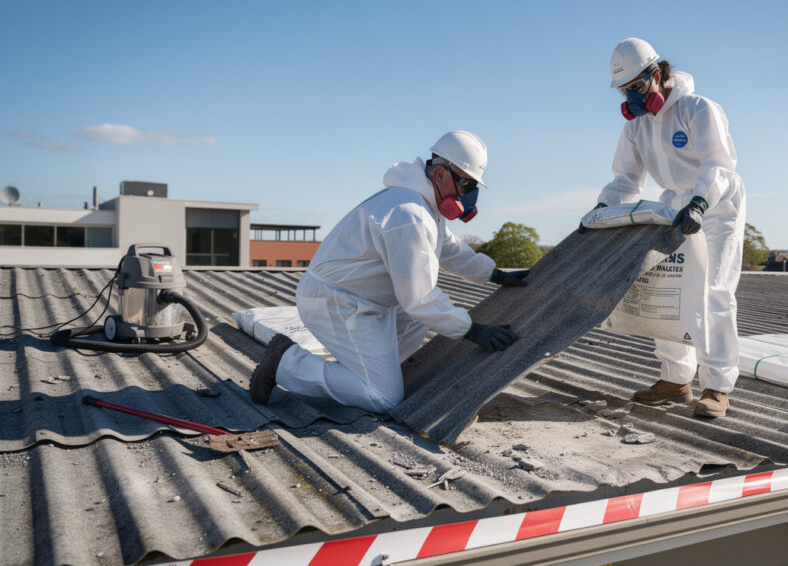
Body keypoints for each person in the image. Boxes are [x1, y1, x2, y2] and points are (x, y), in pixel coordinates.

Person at [249, 130, 528, 413]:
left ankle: (365, 371)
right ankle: (285, 362)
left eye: (473, 188)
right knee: (384, 397)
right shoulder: (410, 214)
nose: (469, 196)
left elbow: (448, 247)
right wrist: (473, 330)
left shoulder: (422, 205)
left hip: (360, 300)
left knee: (420, 319)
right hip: (335, 302)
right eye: (466, 185)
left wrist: (493, 273)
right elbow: (420, 297)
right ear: (441, 174)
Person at [597, 38, 746, 418]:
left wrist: (700, 202)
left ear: (658, 74)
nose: (631, 98)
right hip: (672, 203)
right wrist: (602, 210)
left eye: (636, 87)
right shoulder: (638, 128)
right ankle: (677, 378)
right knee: (668, 289)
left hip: (715, 203)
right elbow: (626, 181)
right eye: (625, 90)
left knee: (712, 291)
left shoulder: (698, 109)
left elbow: (719, 166)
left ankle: (717, 386)